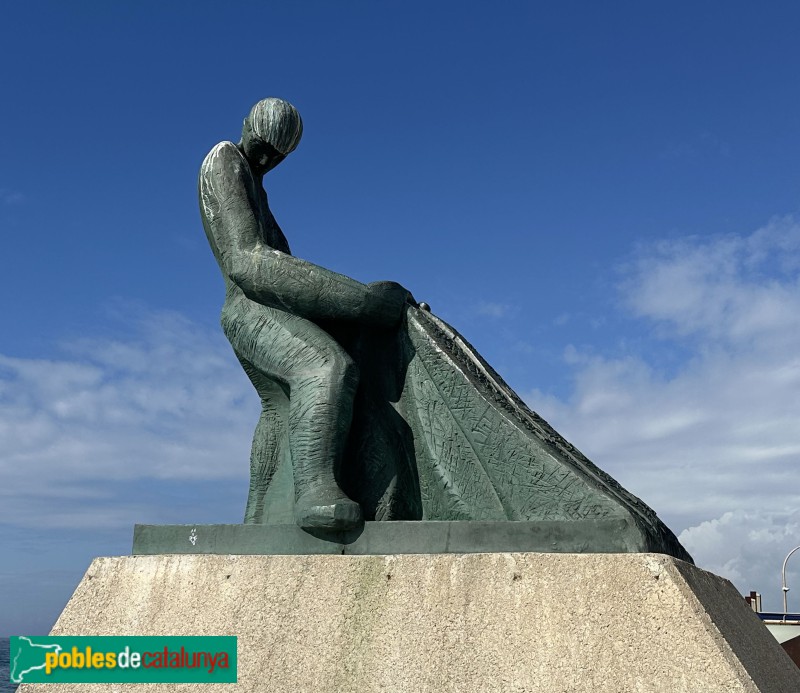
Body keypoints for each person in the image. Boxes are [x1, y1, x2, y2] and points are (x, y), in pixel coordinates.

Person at [198, 98, 410, 530]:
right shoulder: (224, 159)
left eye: (275, 156)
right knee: (324, 367)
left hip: (260, 307)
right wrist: (362, 301)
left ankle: (259, 517)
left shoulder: (257, 185)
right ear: (245, 128)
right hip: (248, 309)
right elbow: (248, 262)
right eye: (260, 148)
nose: (264, 159)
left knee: (279, 407)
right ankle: (315, 491)